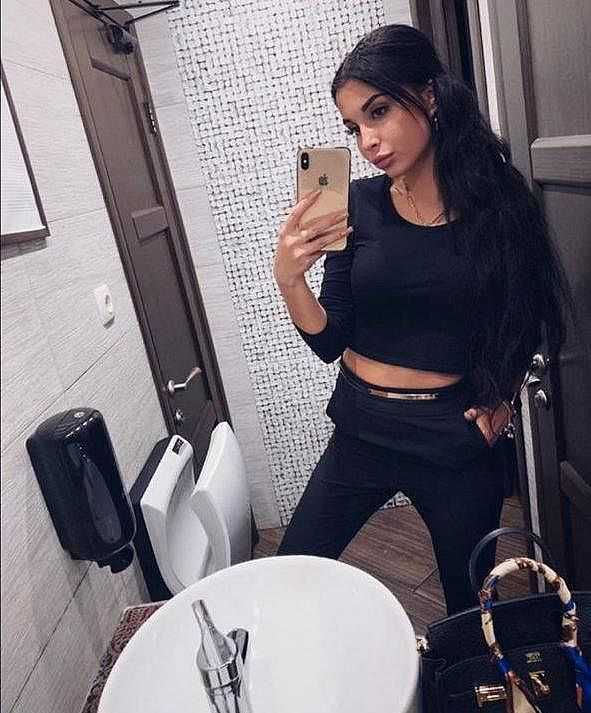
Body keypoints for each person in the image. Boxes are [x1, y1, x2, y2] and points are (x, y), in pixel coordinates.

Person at [272, 24, 573, 614]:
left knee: (468, 608)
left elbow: (527, 308)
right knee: (289, 571)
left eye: (378, 112)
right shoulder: (358, 203)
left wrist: (503, 396)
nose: (368, 141)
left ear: (429, 96)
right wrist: (290, 279)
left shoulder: (498, 203)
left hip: (452, 438)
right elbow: (329, 340)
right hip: (361, 429)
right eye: (353, 127)